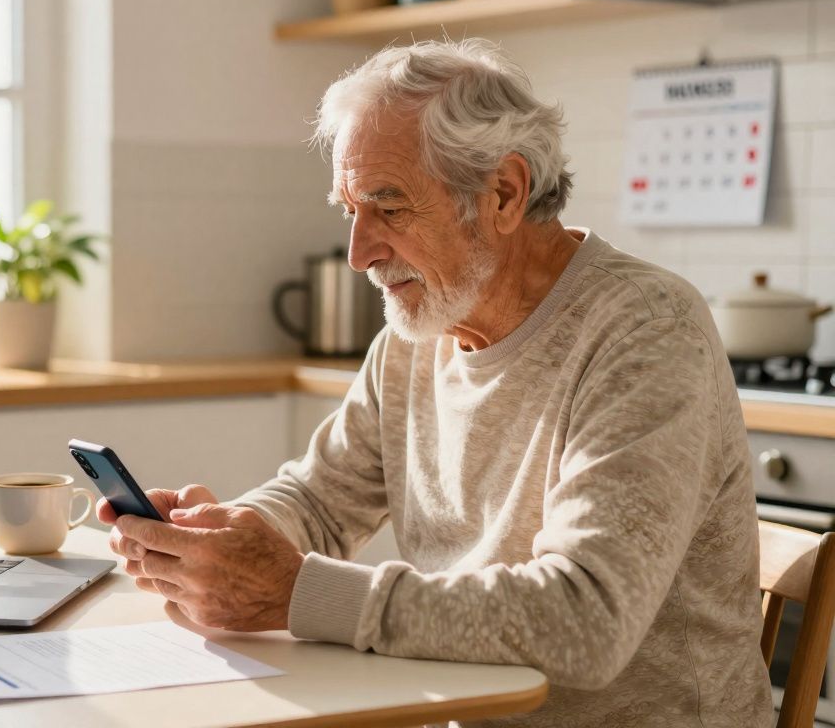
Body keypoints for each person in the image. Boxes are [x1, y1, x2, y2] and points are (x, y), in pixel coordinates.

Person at [97, 39, 773, 726]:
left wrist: (298, 591)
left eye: (388, 208)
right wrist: (225, 542)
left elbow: (588, 619)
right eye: (348, 209)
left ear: (503, 194)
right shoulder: (415, 338)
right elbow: (321, 500)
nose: (360, 253)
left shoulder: (646, 330)